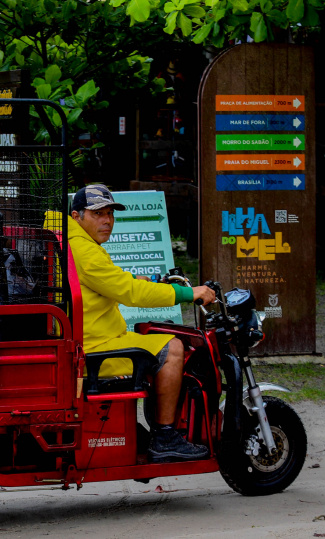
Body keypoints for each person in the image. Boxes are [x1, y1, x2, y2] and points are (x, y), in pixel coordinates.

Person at [68, 184, 216, 463]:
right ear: (77, 216)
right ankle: (165, 437)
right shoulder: (84, 252)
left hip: (93, 337)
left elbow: (110, 283)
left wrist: (133, 280)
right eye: (98, 213)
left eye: (110, 213)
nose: (107, 221)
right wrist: (188, 293)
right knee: (172, 348)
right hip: (96, 346)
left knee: (154, 338)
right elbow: (132, 295)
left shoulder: (77, 243)